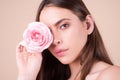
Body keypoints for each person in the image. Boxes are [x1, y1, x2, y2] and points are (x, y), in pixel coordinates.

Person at [16, 0, 120, 80]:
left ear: (88, 25)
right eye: (48, 31)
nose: (54, 40)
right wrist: (26, 76)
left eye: (63, 26)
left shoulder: (111, 75)